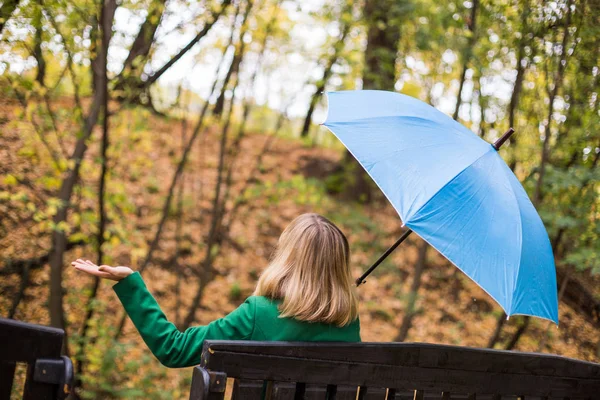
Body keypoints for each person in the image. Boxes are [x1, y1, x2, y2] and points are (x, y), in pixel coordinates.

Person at [72, 213, 361, 368]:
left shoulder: (259, 313)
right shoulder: (349, 323)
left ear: (287, 258)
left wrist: (130, 283)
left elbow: (174, 350)